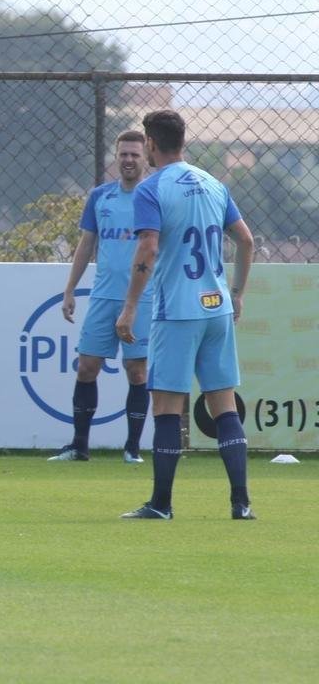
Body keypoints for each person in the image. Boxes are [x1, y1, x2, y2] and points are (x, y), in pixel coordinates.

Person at [116, 110, 255, 520]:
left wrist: (129, 308)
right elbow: (246, 241)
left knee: (167, 408)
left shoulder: (151, 189)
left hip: (177, 311)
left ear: (151, 145)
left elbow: (148, 249)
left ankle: (161, 504)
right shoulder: (214, 184)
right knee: (224, 406)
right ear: (182, 140)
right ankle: (241, 503)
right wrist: (237, 293)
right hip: (217, 308)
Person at [50, 130, 151, 463]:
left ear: (146, 157)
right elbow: (86, 244)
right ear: (116, 157)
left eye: (135, 155)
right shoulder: (100, 196)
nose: (128, 160)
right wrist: (69, 289)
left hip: (143, 298)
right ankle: (79, 445)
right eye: (123, 154)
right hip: (104, 297)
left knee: (136, 371)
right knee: (87, 367)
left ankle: (132, 448)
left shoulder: (154, 197)